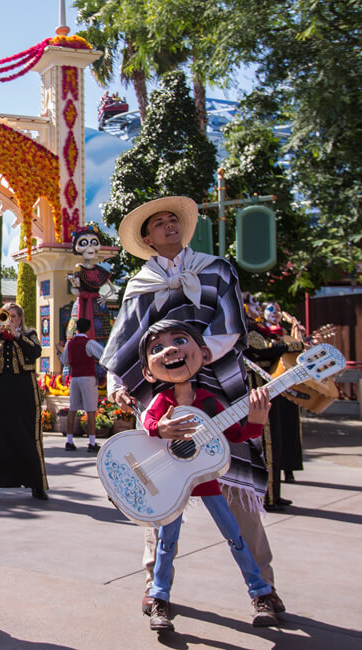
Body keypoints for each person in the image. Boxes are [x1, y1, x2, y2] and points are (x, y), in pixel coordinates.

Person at [98, 197, 285, 617]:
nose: (169, 227)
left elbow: (231, 327)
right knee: (159, 494)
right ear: (146, 238)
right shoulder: (140, 284)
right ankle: (154, 589)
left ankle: (264, 588)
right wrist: (117, 383)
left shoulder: (216, 269)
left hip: (217, 386)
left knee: (238, 492)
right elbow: (126, 341)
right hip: (164, 397)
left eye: (173, 220)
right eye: (159, 224)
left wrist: (191, 361)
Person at [136, 320, 277, 631]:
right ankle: (159, 598)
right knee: (166, 543)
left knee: (235, 537)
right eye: (157, 349)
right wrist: (159, 428)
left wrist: (255, 420)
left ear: (204, 353)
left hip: (208, 482)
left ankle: (260, 593)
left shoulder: (209, 403)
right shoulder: (162, 402)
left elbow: (237, 434)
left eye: (179, 341)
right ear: (148, 371)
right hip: (173, 481)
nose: (169, 350)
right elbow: (147, 424)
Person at [0, 302, 47, 502]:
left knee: (27, 436)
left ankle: (36, 484)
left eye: (14, 316)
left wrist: (17, 334)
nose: (10, 319)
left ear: (20, 318)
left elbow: (35, 353)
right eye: (6, 315)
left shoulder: (29, 334)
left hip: (23, 390)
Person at [245, 297, 304, 510]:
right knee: (266, 443)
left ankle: (275, 495)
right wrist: (292, 344)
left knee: (275, 441)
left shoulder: (258, 329)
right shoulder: (247, 330)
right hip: (256, 389)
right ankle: (266, 498)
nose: (256, 308)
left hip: (268, 388)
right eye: (251, 304)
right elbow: (266, 349)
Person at [55, 317, 104, 452]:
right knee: (91, 410)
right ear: (88, 329)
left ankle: (69, 441)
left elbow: (64, 360)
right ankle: (92, 442)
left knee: (73, 409)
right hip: (87, 377)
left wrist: (59, 349)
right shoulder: (88, 343)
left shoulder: (70, 344)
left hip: (75, 377)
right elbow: (102, 354)